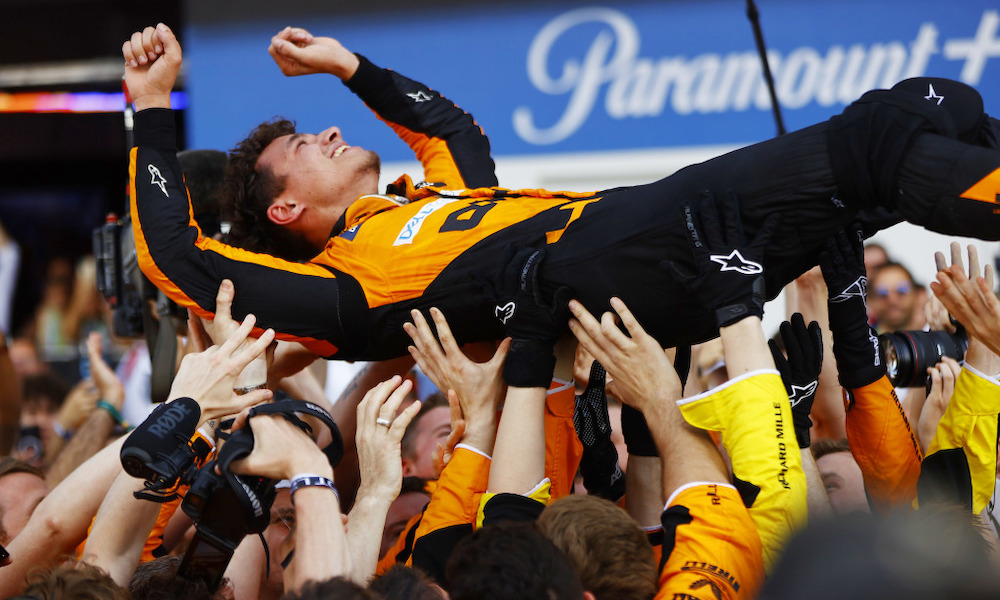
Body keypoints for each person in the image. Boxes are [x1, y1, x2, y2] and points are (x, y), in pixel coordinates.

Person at [124, 23, 1000, 367]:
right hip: (612, 264)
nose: (323, 133)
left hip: (645, 228)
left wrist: (352, 67)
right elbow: (176, 257)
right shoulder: (346, 289)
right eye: (298, 150)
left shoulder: (419, 202)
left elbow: (453, 131)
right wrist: (153, 107)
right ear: (285, 211)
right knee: (876, 142)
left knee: (929, 110)